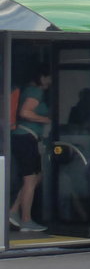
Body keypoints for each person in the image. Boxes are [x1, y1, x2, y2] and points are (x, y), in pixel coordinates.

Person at [9, 67, 52, 232]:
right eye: (49, 77)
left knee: (36, 177)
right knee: (30, 179)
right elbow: (25, 112)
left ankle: (14, 210)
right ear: (42, 77)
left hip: (24, 138)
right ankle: (26, 219)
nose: (51, 81)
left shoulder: (27, 89)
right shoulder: (36, 91)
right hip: (26, 137)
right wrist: (46, 119)